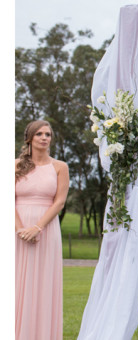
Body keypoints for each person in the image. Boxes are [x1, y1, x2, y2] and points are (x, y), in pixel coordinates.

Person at [15, 120, 69, 340]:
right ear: (30, 138)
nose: (45, 138)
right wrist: (21, 230)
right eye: (39, 134)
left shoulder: (60, 167)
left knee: (44, 284)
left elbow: (59, 202)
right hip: (16, 229)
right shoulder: (14, 166)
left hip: (46, 230)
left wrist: (37, 228)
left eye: (48, 134)